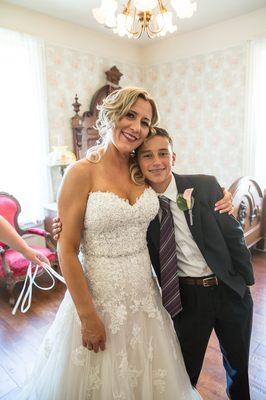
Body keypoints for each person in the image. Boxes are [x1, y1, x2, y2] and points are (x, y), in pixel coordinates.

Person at [19, 87, 206, 399]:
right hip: (98, 298)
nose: (136, 127)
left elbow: (173, 179)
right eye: (130, 115)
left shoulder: (141, 169)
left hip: (145, 295)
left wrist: (219, 194)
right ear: (110, 115)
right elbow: (66, 249)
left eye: (145, 121)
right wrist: (88, 316)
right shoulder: (81, 172)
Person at [130, 127, 253, 400]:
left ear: (173, 156)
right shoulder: (139, 206)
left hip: (229, 290)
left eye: (163, 153)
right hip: (186, 297)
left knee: (238, 367)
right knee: (184, 372)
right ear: (138, 163)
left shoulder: (206, 186)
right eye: (147, 156)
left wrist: (244, 282)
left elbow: (233, 235)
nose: (157, 162)